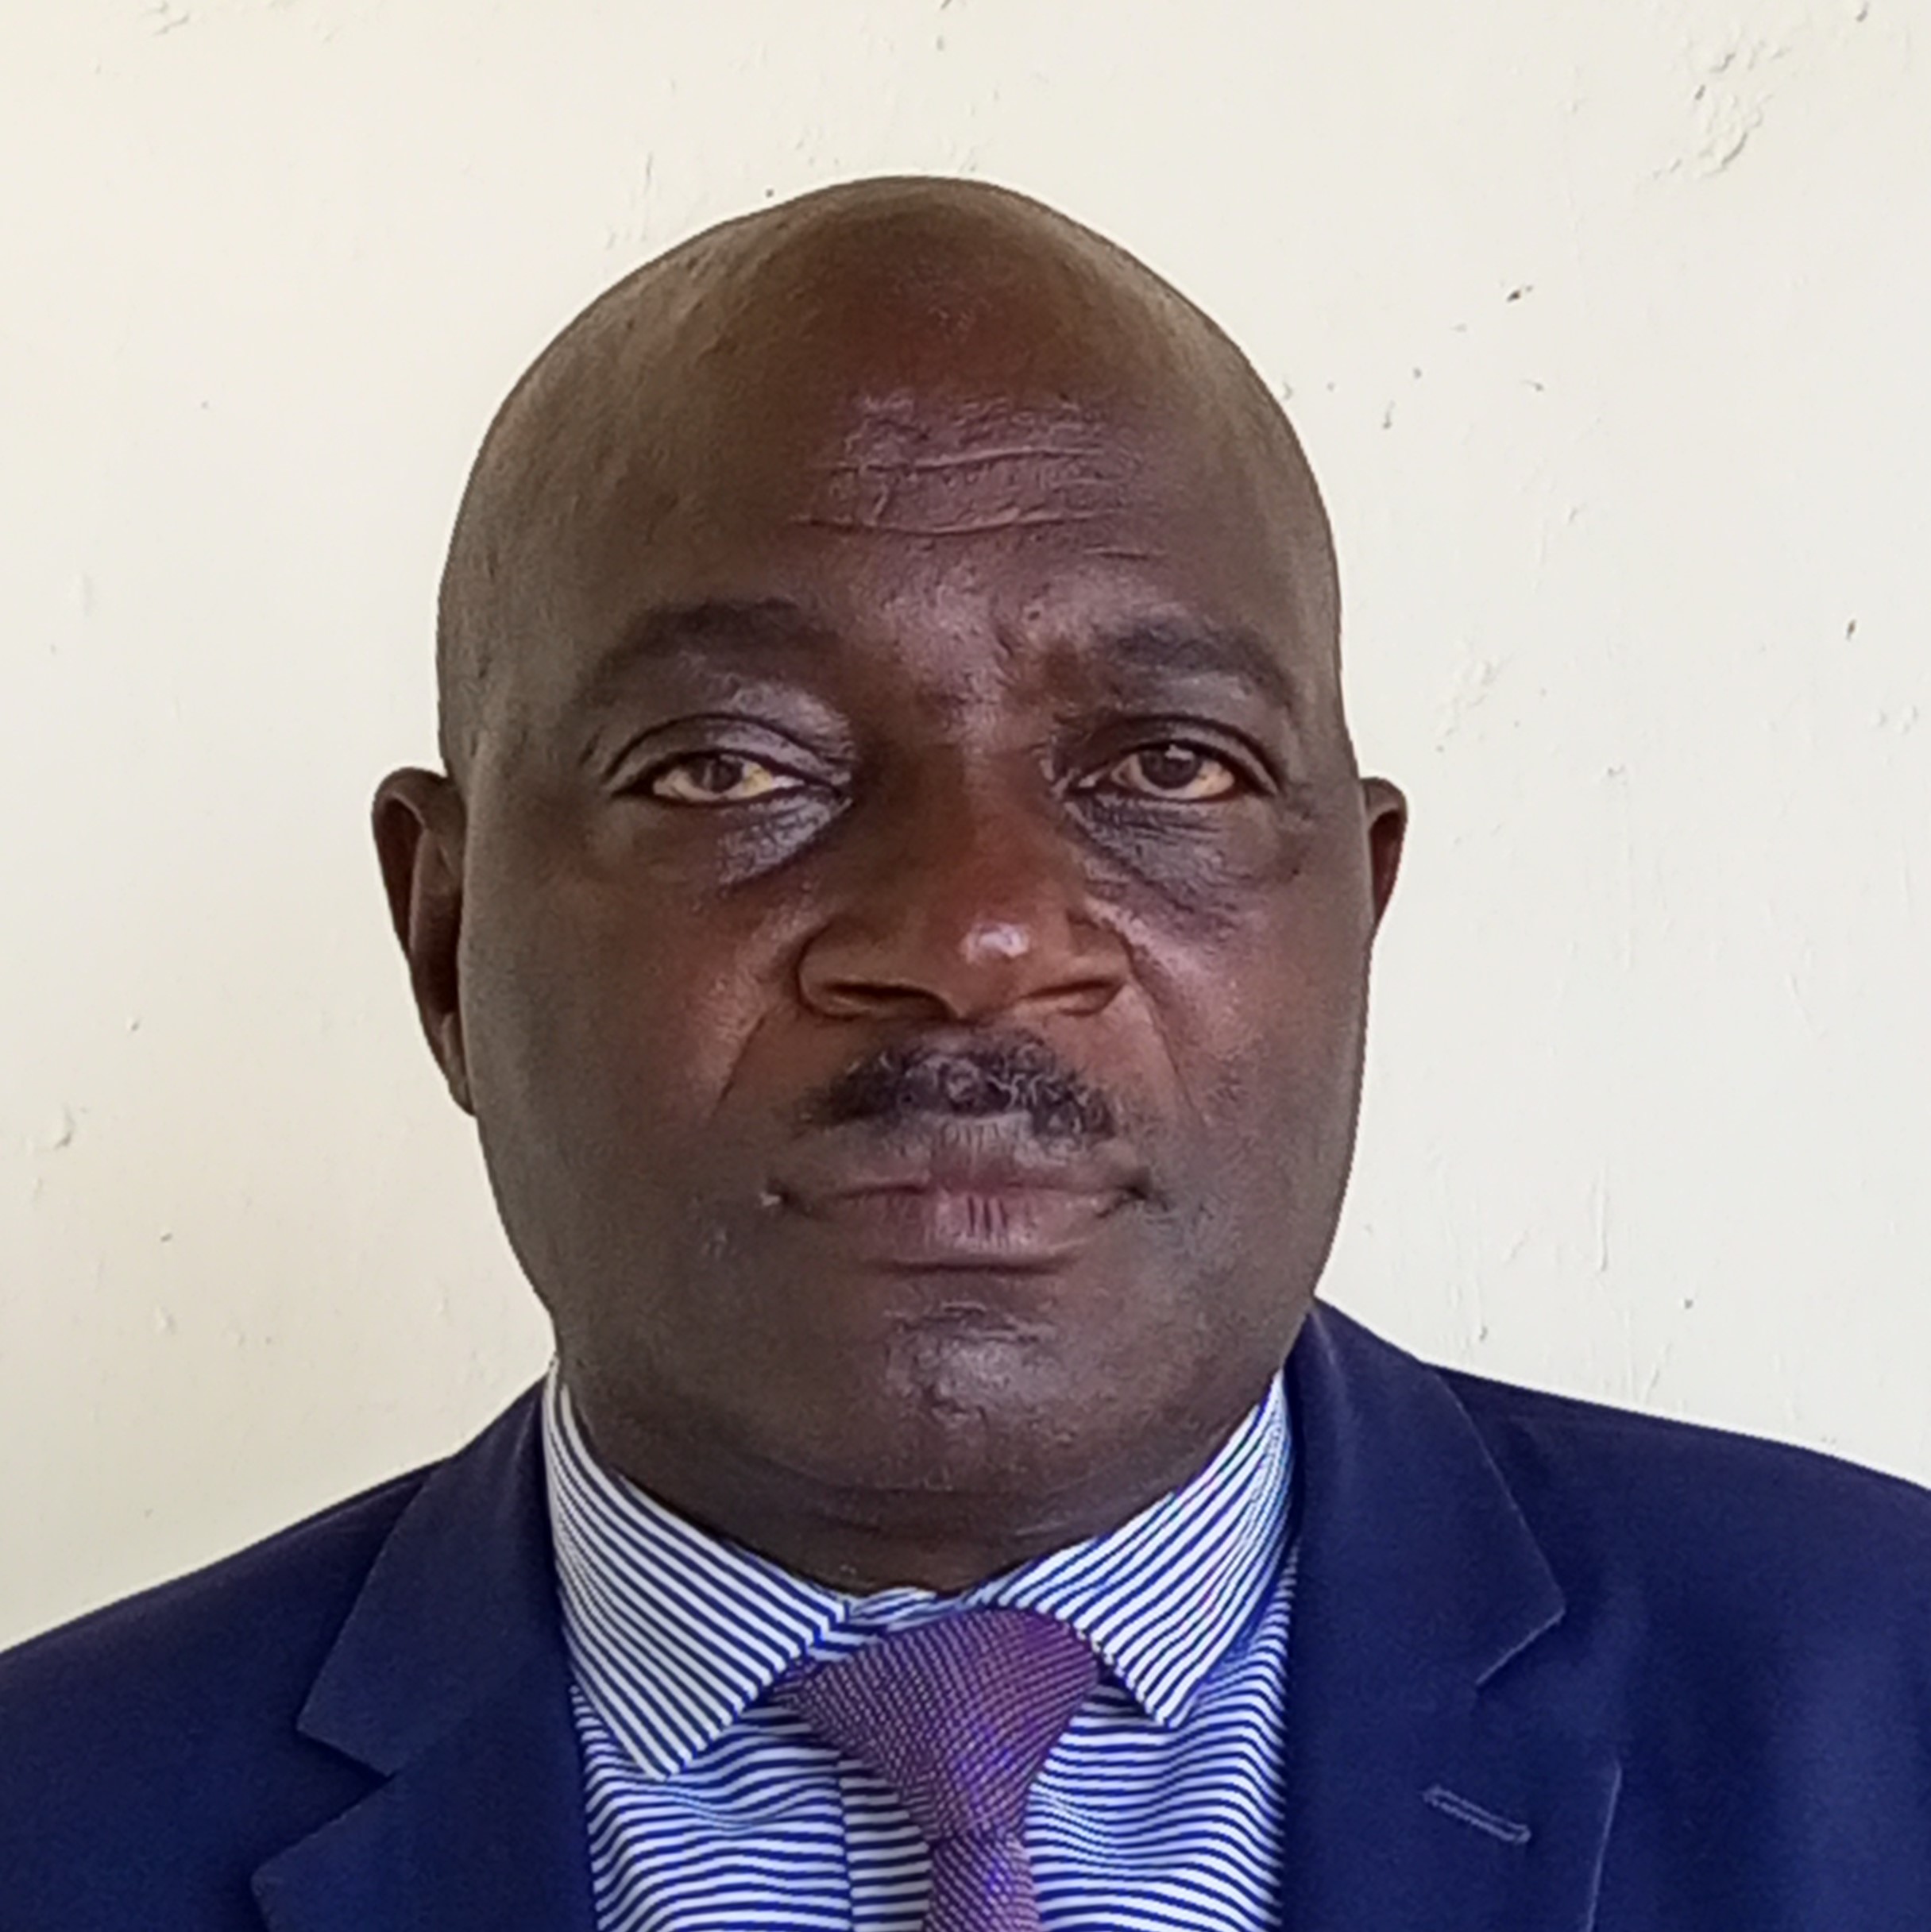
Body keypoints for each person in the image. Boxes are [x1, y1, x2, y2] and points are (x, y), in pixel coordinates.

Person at [2, 176, 1927, 1932]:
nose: (973, 936)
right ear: (445, 942)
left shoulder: (1888, 1716)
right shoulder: (51, 1826)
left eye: (1165, 765)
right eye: (729, 766)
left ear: (1357, 908)